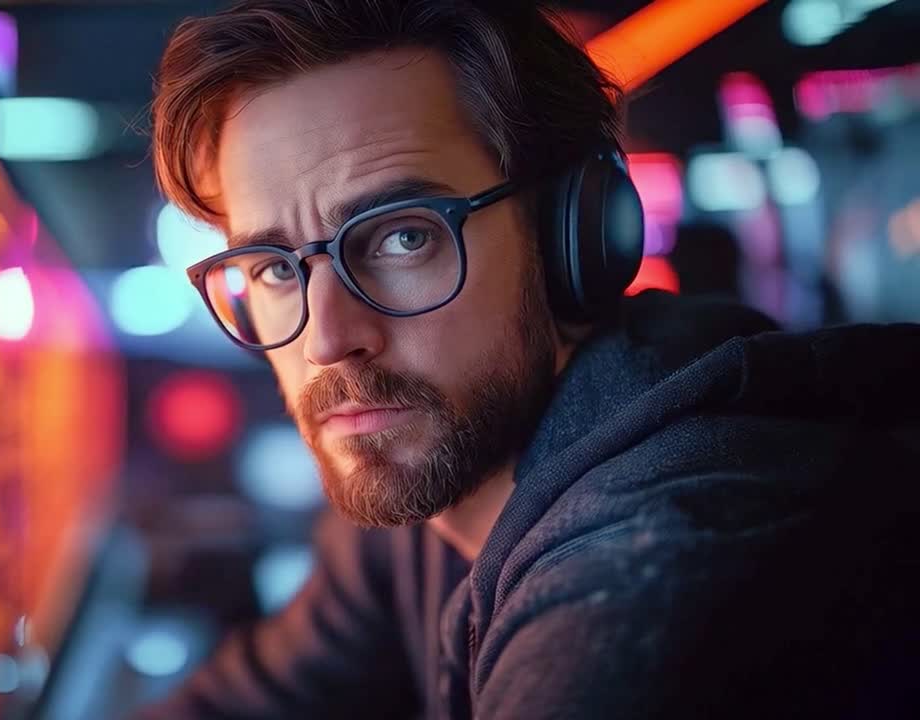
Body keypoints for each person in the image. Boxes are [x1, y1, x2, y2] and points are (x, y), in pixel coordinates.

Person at [133, 1, 920, 718]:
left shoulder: (654, 566)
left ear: (572, 237)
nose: (328, 340)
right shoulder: (425, 477)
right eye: (273, 268)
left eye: (403, 236)